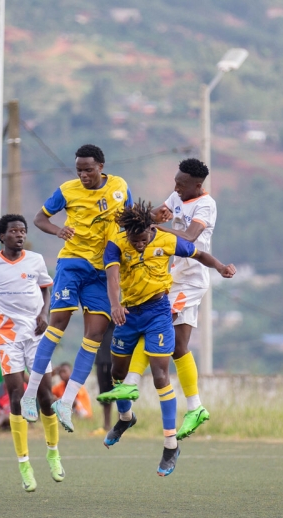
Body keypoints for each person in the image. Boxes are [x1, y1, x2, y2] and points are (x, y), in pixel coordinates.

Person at [100, 202, 235, 476]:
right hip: (128, 312)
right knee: (117, 372)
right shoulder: (116, 243)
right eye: (132, 240)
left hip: (158, 311)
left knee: (161, 374)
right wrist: (115, 305)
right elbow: (112, 278)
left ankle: (170, 446)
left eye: (142, 240)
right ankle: (126, 418)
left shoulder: (166, 239)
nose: (137, 245)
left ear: (151, 230)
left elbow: (200, 254)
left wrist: (220, 267)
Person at [20, 144, 132, 433]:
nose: (82, 174)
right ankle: (29, 395)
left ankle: (66, 402)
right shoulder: (67, 190)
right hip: (72, 263)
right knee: (58, 323)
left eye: (88, 169)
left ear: (101, 167)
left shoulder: (119, 187)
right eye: (79, 169)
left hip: (101, 269)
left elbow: (130, 221)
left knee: (94, 334)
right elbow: (39, 218)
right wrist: (58, 230)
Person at [103, 158, 216, 441]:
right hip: (174, 276)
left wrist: (156, 231)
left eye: (181, 184)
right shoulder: (177, 196)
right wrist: (141, 219)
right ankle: (196, 407)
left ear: (196, 185)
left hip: (191, 280)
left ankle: (130, 382)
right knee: (178, 347)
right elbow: (152, 217)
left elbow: (189, 237)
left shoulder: (205, 204)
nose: (175, 188)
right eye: (175, 182)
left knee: (155, 323)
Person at [0, 213, 62, 492]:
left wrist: (44, 314)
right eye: (13, 231)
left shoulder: (35, 260)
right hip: (7, 336)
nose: (20, 235)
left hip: (36, 334)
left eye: (22, 231)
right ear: (2, 236)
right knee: (16, 397)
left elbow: (47, 288)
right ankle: (24, 463)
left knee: (46, 395)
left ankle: (53, 452)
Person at [94, 326, 115, 432]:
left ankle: (123, 421)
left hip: (117, 355)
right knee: (104, 391)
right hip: (101, 357)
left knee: (120, 391)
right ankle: (107, 424)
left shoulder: (119, 310)